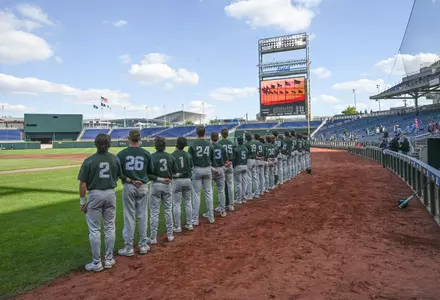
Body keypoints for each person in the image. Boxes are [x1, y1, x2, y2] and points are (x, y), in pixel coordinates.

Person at [78, 133, 127, 272]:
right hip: (110, 193)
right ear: (109, 144)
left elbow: (82, 184)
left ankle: (96, 263)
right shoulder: (115, 159)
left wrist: (82, 201)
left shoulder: (89, 161)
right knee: (110, 226)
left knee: (94, 229)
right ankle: (109, 259)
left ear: (96, 144)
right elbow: (120, 175)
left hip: (95, 194)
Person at [117, 130, 152, 256]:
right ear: (140, 138)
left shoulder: (122, 154)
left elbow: (118, 171)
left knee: (129, 216)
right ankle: (143, 245)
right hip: (143, 186)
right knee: (143, 215)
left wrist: (130, 179)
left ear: (128, 138)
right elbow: (151, 171)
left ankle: (129, 247)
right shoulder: (146, 153)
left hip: (129, 186)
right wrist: (141, 179)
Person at [148, 136, 177, 244]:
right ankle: (170, 235)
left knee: (154, 212)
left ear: (155, 145)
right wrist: (168, 177)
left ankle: (153, 238)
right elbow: (175, 172)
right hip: (167, 185)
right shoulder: (170, 157)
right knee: (168, 210)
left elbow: (148, 174)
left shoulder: (151, 157)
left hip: (155, 185)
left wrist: (159, 178)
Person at [188, 125, 215, 225]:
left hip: (197, 169)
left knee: (196, 195)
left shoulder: (193, 144)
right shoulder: (209, 144)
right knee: (209, 193)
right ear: (204, 133)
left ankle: (195, 220)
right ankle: (211, 217)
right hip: (207, 169)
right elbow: (212, 158)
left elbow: (189, 159)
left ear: (196, 133)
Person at [171, 137, 194, 232]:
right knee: (188, 202)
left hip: (177, 181)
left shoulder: (172, 155)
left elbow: (170, 171)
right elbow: (192, 168)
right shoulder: (188, 155)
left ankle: (177, 226)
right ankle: (189, 224)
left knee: (176, 204)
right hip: (188, 180)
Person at [211, 132, 229, 217]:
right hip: (220, 168)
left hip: (211, 169)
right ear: (218, 138)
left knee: (209, 191)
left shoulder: (209, 147)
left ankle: (210, 212)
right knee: (221, 190)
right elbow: (226, 161)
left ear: (211, 138)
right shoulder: (221, 147)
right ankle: (222, 210)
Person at [218, 128, 235, 212]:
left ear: (221, 134)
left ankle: (222, 205)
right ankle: (231, 205)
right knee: (230, 185)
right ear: (228, 134)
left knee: (221, 186)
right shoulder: (231, 143)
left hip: (222, 165)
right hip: (230, 164)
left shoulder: (219, 143)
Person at [233, 136, 248, 204]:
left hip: (238, 166)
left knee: (238, 183)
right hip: (245, 165)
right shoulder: (245, 148)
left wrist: (233, 166)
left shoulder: (236, 149)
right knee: (244, 183)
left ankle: (239, 199)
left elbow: (234, 159)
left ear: (238, 141)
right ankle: (244, 198)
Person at [244, 132, 258, 200]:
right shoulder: (254, 143)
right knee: (254, 177)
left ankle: (249, 194)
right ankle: (256, 193)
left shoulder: (246, 144)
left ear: (246, 137)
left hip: (249, 160)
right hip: (254, 160)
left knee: (249, 178)